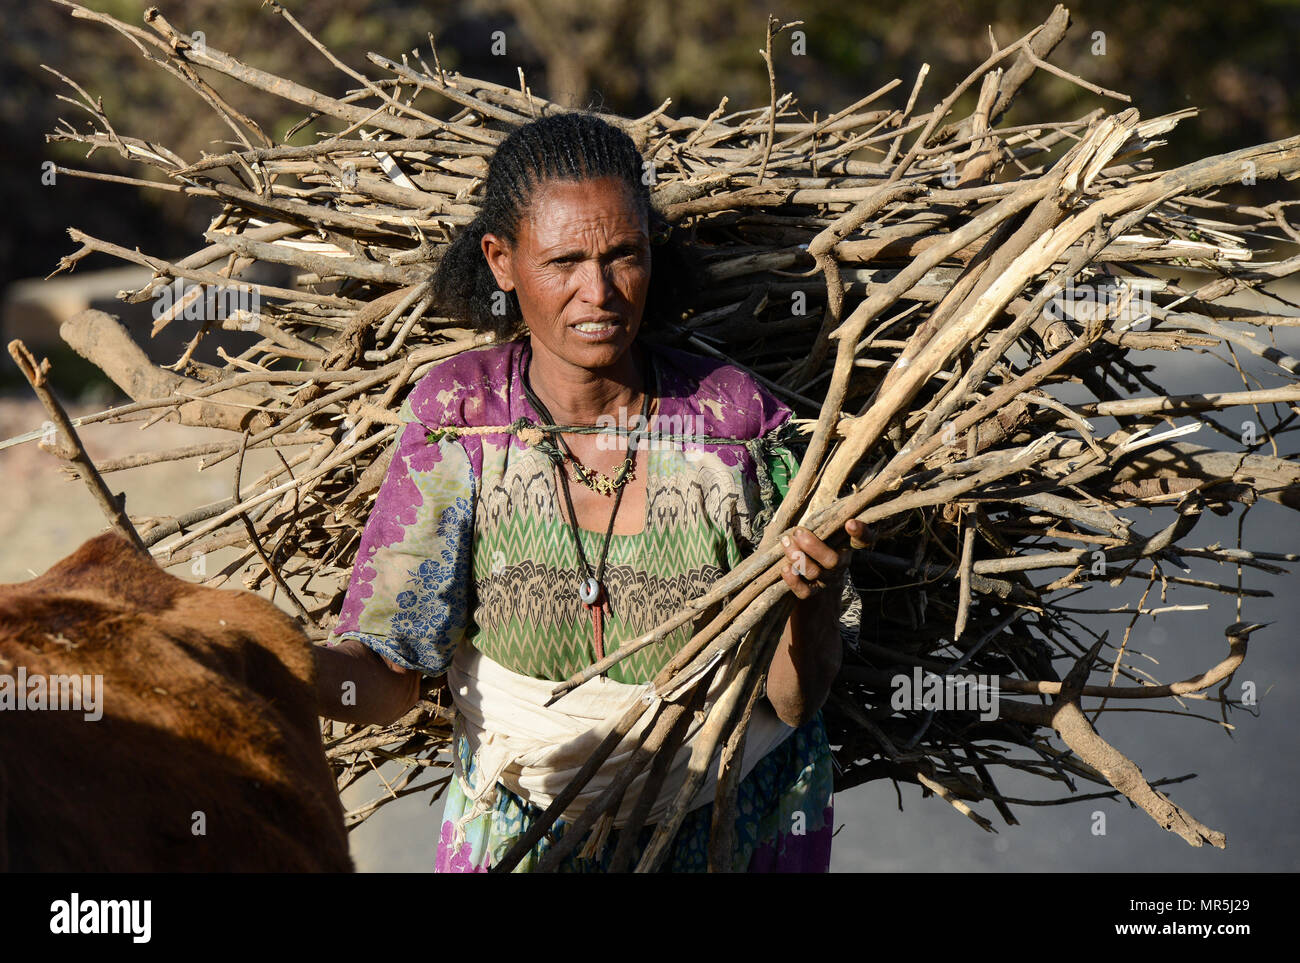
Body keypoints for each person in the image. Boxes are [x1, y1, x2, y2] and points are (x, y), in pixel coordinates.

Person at [315, 111, 868, 872]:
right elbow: (389, 677)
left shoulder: (733, 427)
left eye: (623, 255)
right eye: (565, 260)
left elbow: (789, 703)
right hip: (521, 835)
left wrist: (812, 604)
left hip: (730, 833)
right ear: (501, 261)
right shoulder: (464, 421)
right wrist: (267, 662)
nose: (598, 291)